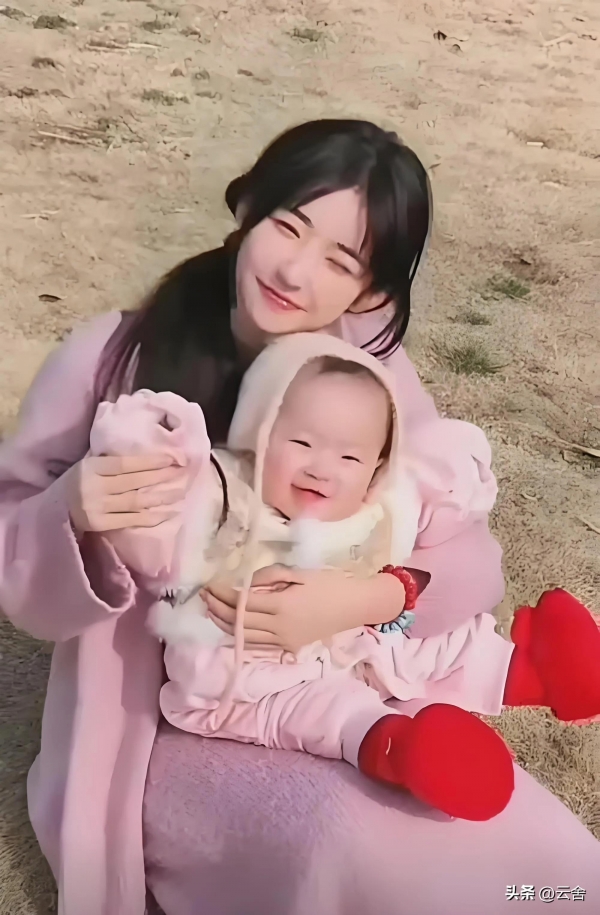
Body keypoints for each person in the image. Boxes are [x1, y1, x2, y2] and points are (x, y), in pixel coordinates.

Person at [0, 119, 597, 915]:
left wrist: (366, 596)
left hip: (346, 680)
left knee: (538, 855)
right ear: (247, 204)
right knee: (346, 846)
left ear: (372, 293)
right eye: (288, 225)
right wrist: (72, 510)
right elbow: (12, 541)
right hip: (173, 718)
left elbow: (466, 560)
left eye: (340, 260)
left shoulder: (365, 371)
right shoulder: (109, 357)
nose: (294, 269)